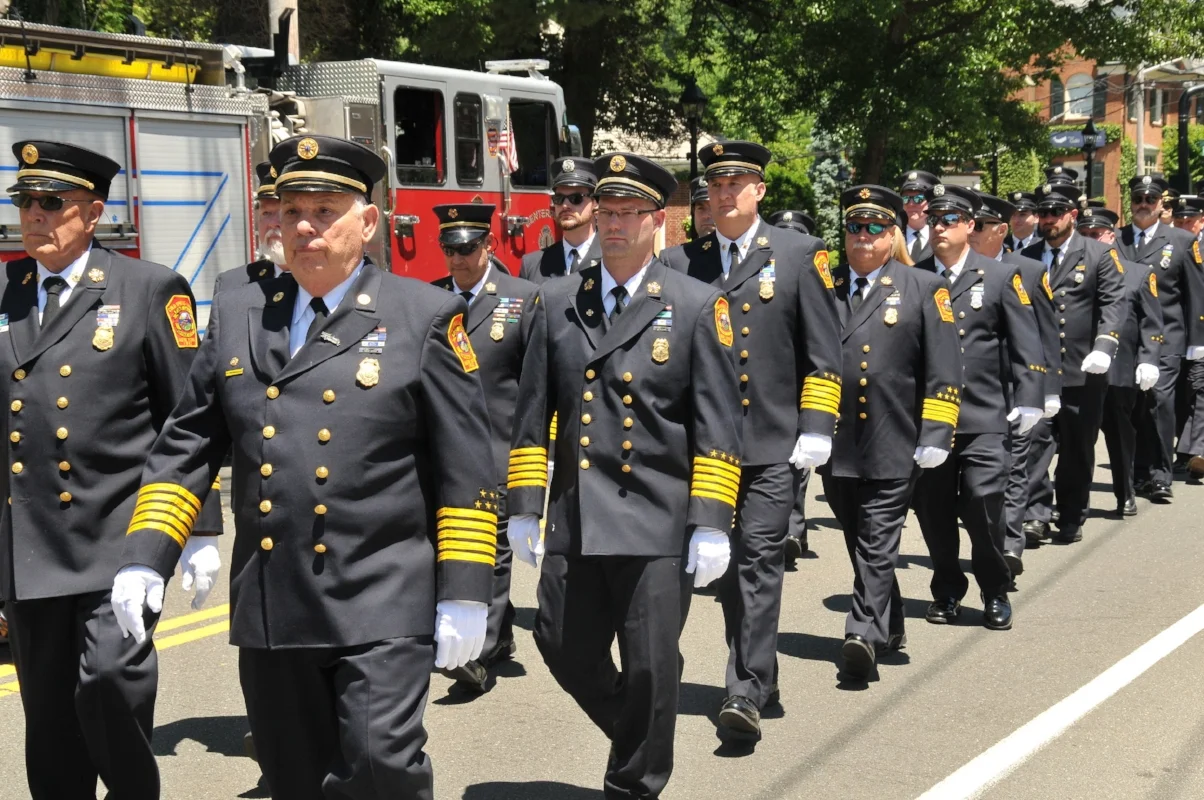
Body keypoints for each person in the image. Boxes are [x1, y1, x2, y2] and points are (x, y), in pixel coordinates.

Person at [112, 134, 497, 800]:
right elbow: (189, 441)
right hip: (274, 600)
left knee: (380, 766)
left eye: (325, 211)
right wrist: (148, 554)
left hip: (381, 596)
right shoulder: (240, 309)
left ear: (367, 222)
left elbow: (466, 459)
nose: (304, 227)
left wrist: (465, 588)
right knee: (292, 778)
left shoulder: (424, 315)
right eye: (291, 211)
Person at [506, 151, 742, 797]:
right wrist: (525, 504)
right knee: (561, 644)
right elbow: (531, 412)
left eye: (627, 213)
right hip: (577, 514)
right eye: (605, 212)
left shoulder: (695, 304)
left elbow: (717, 422)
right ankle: (644, 724)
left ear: (656, 220)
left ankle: (635, 782)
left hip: (656, 517)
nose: (612, 225)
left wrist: (711, 520)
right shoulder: (557, 301)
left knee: (648, 666)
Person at [0, 140, 220, 800]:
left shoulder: (148, 289)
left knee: (108, 686)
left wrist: (199, 528)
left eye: (50, 202)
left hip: (118, 540)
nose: (33, 215)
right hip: (29, 544)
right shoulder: (7, 291)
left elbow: (188, 418)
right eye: (23, 201)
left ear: (93, 213)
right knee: (49, 724)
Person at [661, 140, 842, 742]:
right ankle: (755, 673)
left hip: (769, 443)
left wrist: (816, 426)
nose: (724, 194)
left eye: (736, 184)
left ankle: (744, 690)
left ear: (759, 190)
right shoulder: (680, 262)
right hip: (699, 450)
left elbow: (823, 351)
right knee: (710, 568)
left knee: (757, 562)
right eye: (715, 185)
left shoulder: (798, 254)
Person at [822, 184, 961, 678]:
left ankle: (861, 632)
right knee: (857, 538)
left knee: (878, 539)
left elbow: (945, 366)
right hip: (836, 439)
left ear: (892, 233)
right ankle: (892, 619)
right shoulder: (826, 284)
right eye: (854, 226)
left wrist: (937, 430)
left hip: (893, 434)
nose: (862, 235)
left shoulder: (923, 286)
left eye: (874, 227)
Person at [912, 185, 1044, 630]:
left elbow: (1026, 342)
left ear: (970, 225)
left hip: (984, 414)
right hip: (930, 419)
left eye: (950, 220)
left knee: (983, 503)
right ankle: (948, 588)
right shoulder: (913, 276)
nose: (940, 228)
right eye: (934, 220)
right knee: (933, 510)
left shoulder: (1000, 276)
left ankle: (994, 587)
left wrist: (1031, 396)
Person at [431, 203, 538, 693]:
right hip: (443, 449)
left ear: (489, 245)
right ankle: (497, 628)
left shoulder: (521, 298)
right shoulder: (431, 298)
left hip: (498, 447)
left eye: (467, 248)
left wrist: (535, 455)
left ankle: (480, 652)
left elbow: (534, 386)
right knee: (446, 548)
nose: (457, 258)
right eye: (448, 249)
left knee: (492, 551)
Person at [1018, 182, 1126, 544]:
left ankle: (1071, 512)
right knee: (1035, 443)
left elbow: (1113, 303)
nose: (1048, 219)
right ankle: (1035, 514)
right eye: (1043, 213)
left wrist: (1105, 345)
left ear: (1072, 215)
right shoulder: (1027, 257)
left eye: (1055, 212)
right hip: (1038, 370)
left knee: (1078, 448)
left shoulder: (1098, 254)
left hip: (1082, 369)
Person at [968, 191, 1062, 572]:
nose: (971, 232)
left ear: (1000, 231)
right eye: (969, 224)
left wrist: (1047, 389)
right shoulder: (949, 270)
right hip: (972, 392)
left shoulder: (1028, 271)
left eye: (979, 226)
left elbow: (1046, 334)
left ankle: (1009, 545)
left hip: (1013, 389)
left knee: (1013, 467)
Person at [1116, 176, 1204, 502]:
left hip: (1167, 336)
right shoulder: (1116, 239)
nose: (1143, 204)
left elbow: (1195, 292)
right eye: (1138, 198)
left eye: (1150, 199)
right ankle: (1137, 473)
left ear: (1160, 203)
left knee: (1159, 403)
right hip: (1126, 338)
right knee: (1133, 407)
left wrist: (1197, 340)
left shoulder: (1182, 240)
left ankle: (1160, 475)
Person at [1078, 207, 1163, 516]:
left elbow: (1152, 323)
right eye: (1084, 234)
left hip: (1118, 369)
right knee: (1078, 440)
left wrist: (1148, 358)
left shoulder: (1138, 272)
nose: (1090, 239)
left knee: (1120, 437)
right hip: (1080, 368)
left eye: (1096, 234)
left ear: (1111, 236)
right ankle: (1076, 502)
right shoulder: (1071, 271)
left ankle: (1125, 491)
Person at [767, 208, 819, 565]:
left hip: (803, 382)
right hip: (774, 382)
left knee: (798, 460)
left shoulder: (811, 271)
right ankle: (787, 529)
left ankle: (793, 528)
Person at [520, 158, 599, 283]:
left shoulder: (614, 260)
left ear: (595, 203)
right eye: (559, 198)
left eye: (576, 198)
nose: (565, 205)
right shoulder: (532, 265)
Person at [214, 161, 289, 294]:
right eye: (266, 213)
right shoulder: (230, 286)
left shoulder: (327, 286)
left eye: (285, 213)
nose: (273, 223)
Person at [898, 170, 937, 263]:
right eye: (905, 199)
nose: (911, 204)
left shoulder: (939, 234)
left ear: (930, 202)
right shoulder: (893, 235)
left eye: (918, 199)